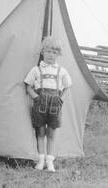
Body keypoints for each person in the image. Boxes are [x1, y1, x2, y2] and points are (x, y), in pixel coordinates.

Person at [24, 36, 72, 172]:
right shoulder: (36, 70)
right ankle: (40, 161)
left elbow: (68, 86)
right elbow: (28, 86)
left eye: (55, 52)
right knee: (40, 132)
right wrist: (36, 98)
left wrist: (62, 99)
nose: (51, 55)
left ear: (58, 54)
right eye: (49, 51)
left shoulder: (62, 71)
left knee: (51, 133)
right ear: (42, 52)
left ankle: (50, 162)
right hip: (40, 105)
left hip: (55, 106)